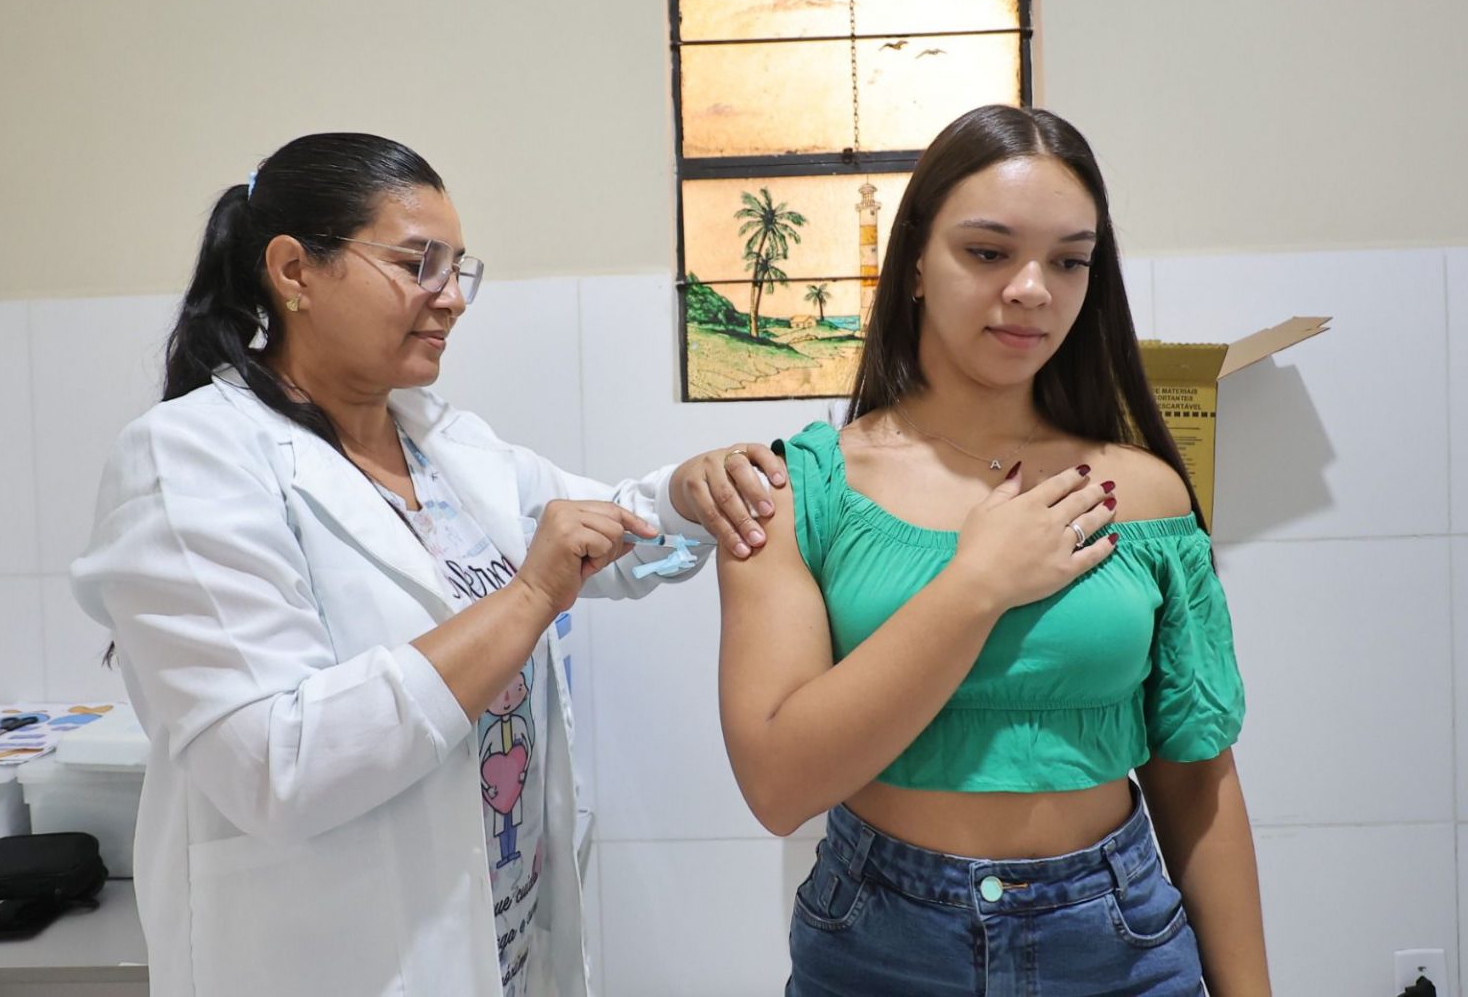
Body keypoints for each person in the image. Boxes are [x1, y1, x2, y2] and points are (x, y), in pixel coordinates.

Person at [69, 132, 784, 997]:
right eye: (419, 265)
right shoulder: (188, 459)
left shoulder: (443, 443)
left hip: (499, 950)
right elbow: (277, 765)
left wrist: (689, 492)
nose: (451, 299)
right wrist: (530, 595)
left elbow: (600, 533)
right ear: (294, 271)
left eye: (458, 270)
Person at [717, 105, 1270, 996]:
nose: (1033, 289)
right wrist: (977, 583)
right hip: (879, 948)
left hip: (1119, 942)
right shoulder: (800, 490)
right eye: (987, 252)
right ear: (914, 265)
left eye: (1070, 260)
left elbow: (1198, 779)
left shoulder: (1145, 495)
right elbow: (778, 785)